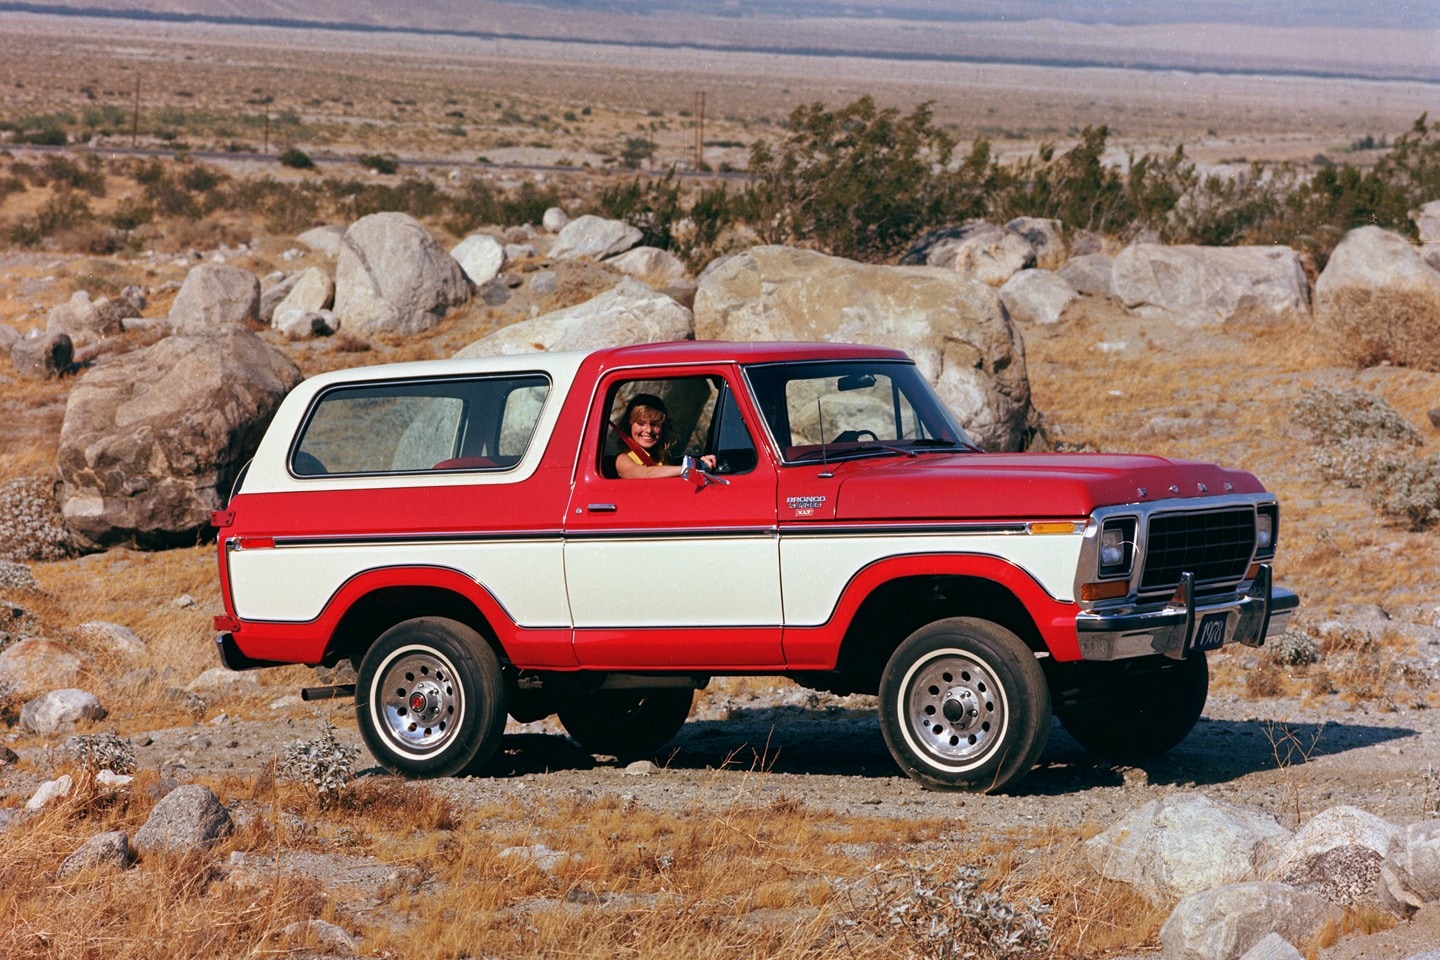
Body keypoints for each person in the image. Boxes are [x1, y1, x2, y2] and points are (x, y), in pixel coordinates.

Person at [615, 393, 716, 479]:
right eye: (641, 423)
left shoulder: (664, 458)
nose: (649, 430)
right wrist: (692, 467)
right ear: (629, 426)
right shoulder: (623, 459)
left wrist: (702, 462)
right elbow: (646, 474)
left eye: (655, 424)